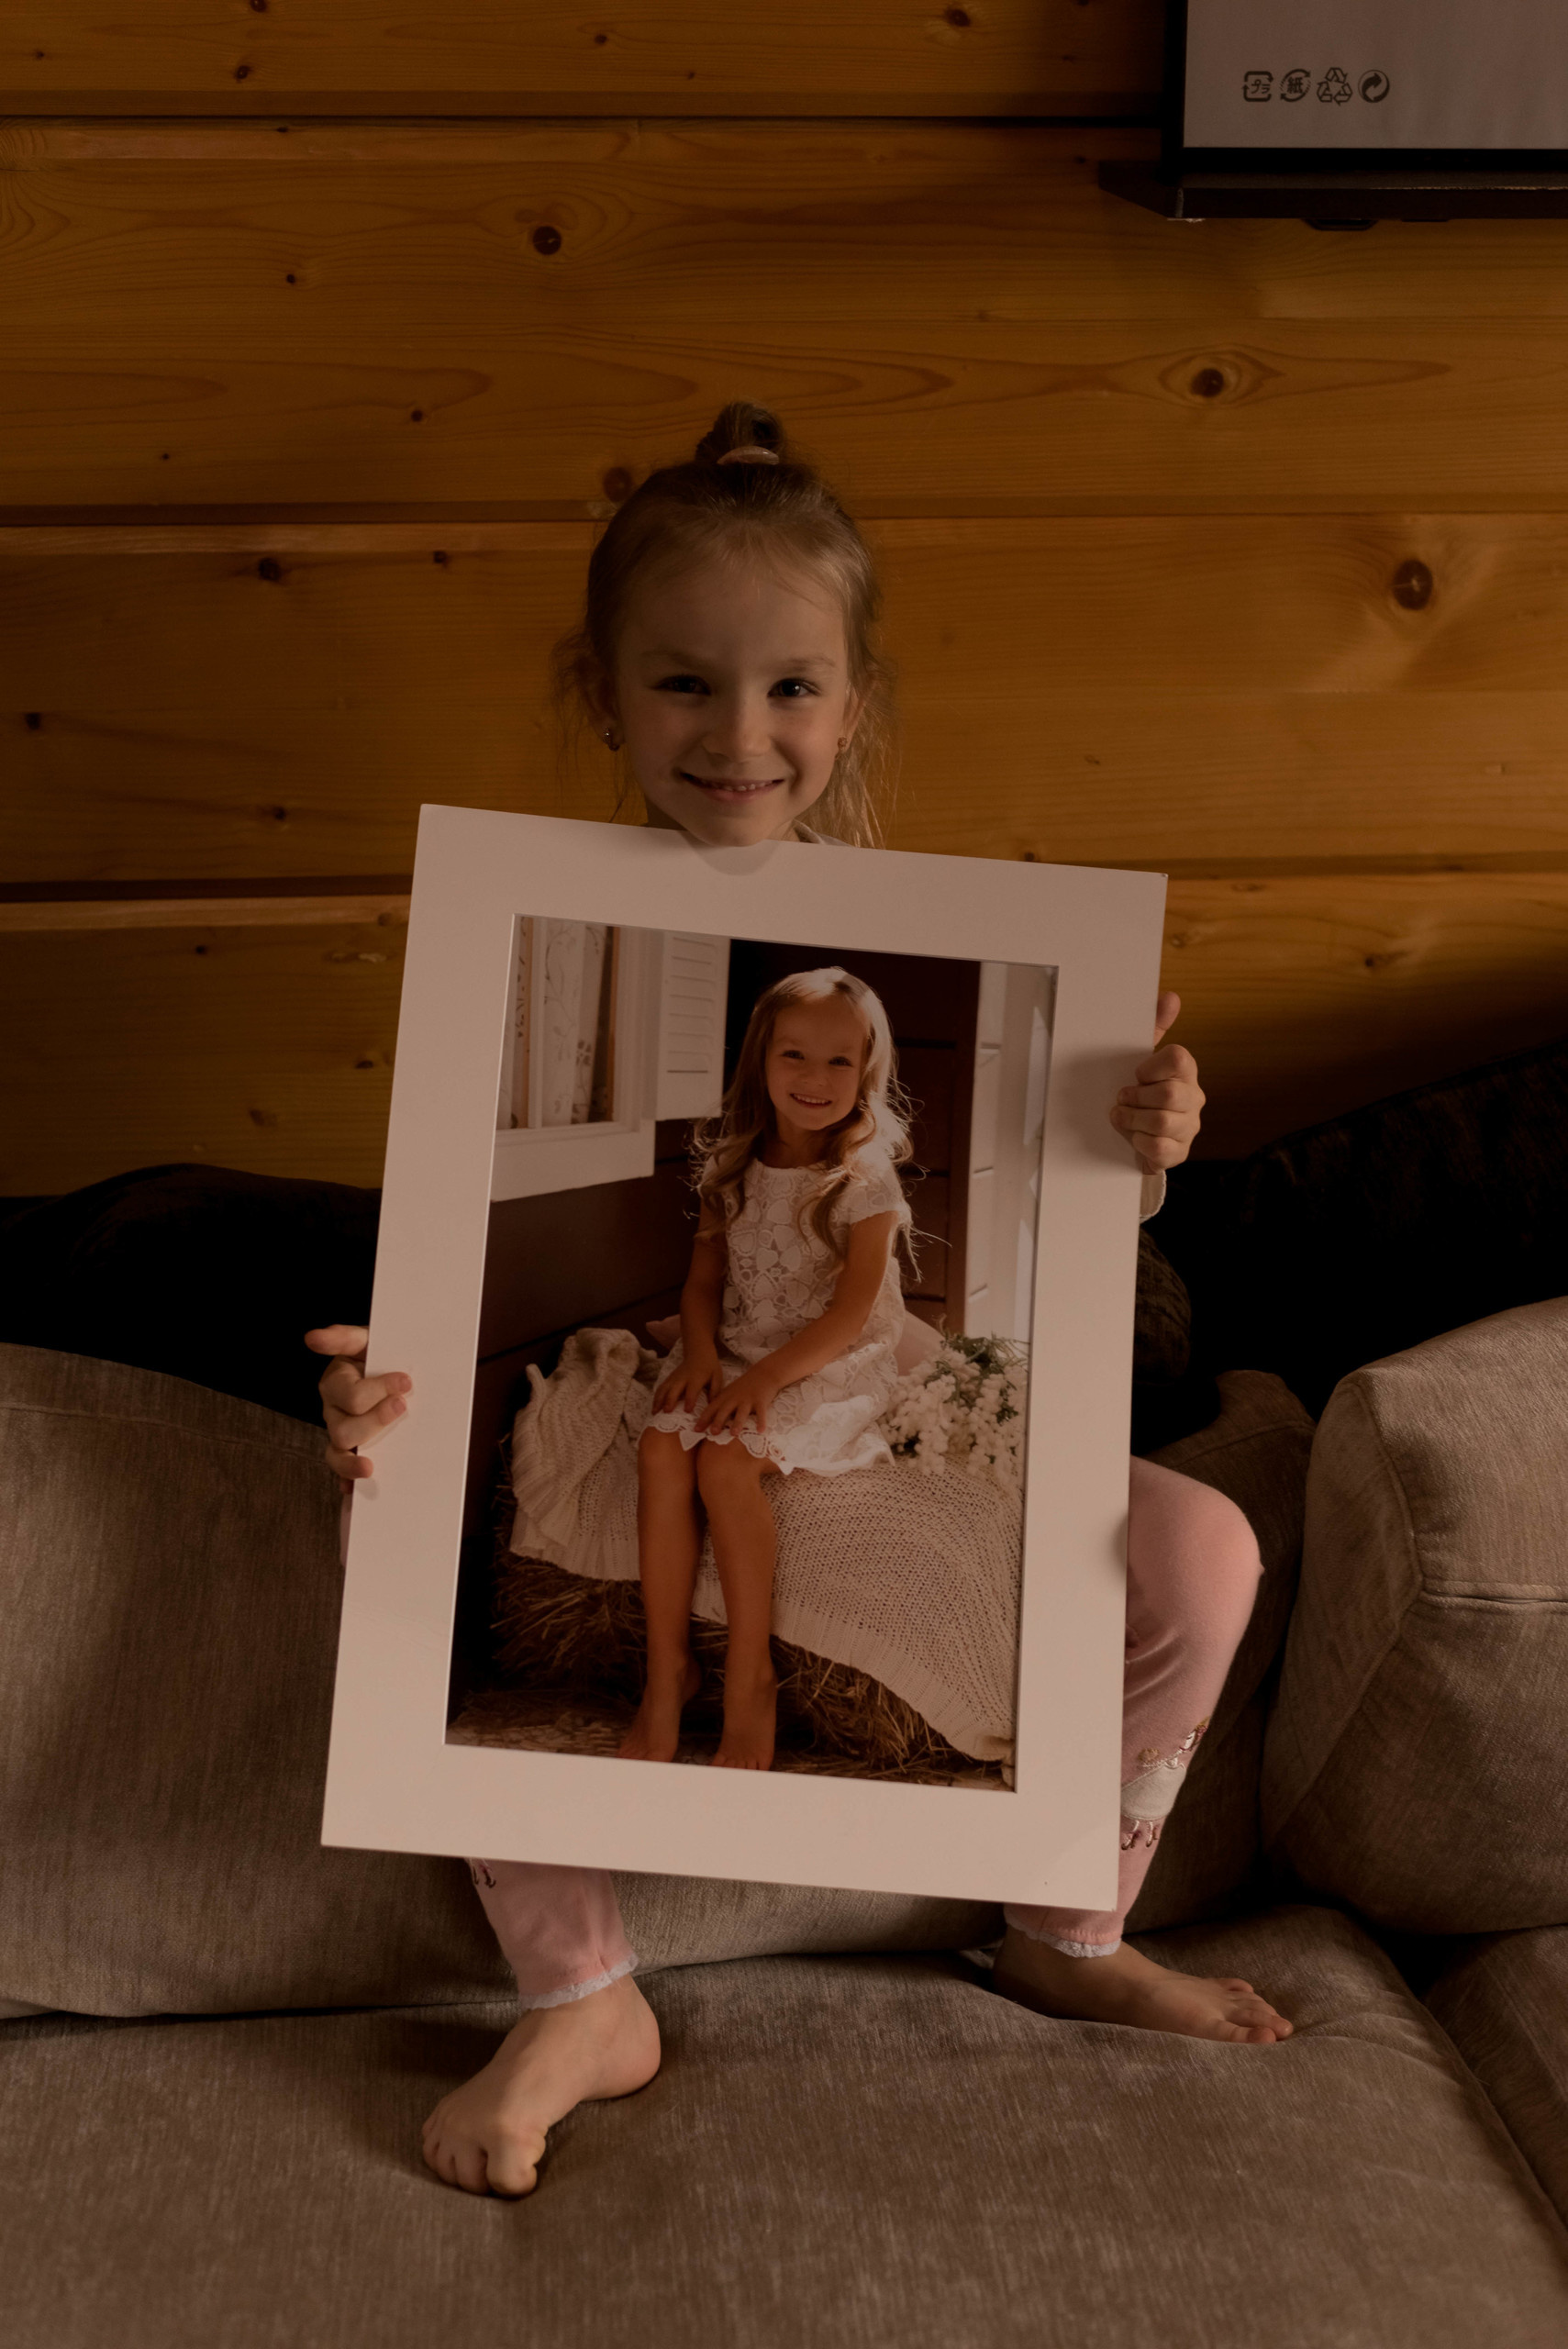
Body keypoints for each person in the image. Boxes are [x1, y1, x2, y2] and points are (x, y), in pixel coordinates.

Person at [306, 401, 1291, 2201]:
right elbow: (655, 1267)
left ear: (850, 708)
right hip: (715, 1371)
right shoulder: (517, 946)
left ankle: (1069, 1924)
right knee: (415, 1494)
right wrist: (387, 1376)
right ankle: (578, 1993)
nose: (739, 734)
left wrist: (1140, 1142)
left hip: (856, 1375)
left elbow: (918, 1282)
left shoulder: (964, 979)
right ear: (603, 696)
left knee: (1203, 1548)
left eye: (787, 689)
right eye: (683, 684)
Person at [627, 964, 913, 1771]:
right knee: (660, 1447)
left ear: (866, 1072)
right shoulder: (731, 1164)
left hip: (826, 1361)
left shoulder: (864, 1180)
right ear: (760, 1057)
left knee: (726, 1463)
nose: (814, 1079)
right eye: (794, 1055)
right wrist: (703, 1355)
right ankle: (666, 1673)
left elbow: (850, 1316)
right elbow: (702, 1285)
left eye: (838, 1061)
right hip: (739, 1345)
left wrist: (763, 1382)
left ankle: (749, 1678)